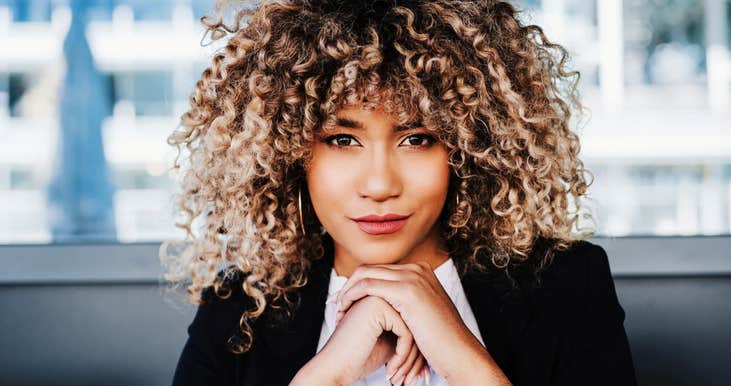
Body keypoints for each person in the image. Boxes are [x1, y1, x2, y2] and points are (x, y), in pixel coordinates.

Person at [160, 0, 637, 385]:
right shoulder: (238, 307)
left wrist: (460, 352)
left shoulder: (567, 285)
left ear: (469, 146)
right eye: (342, 140)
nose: (380, 185)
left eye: (417, 138)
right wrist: (330, 371)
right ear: (288, 149)